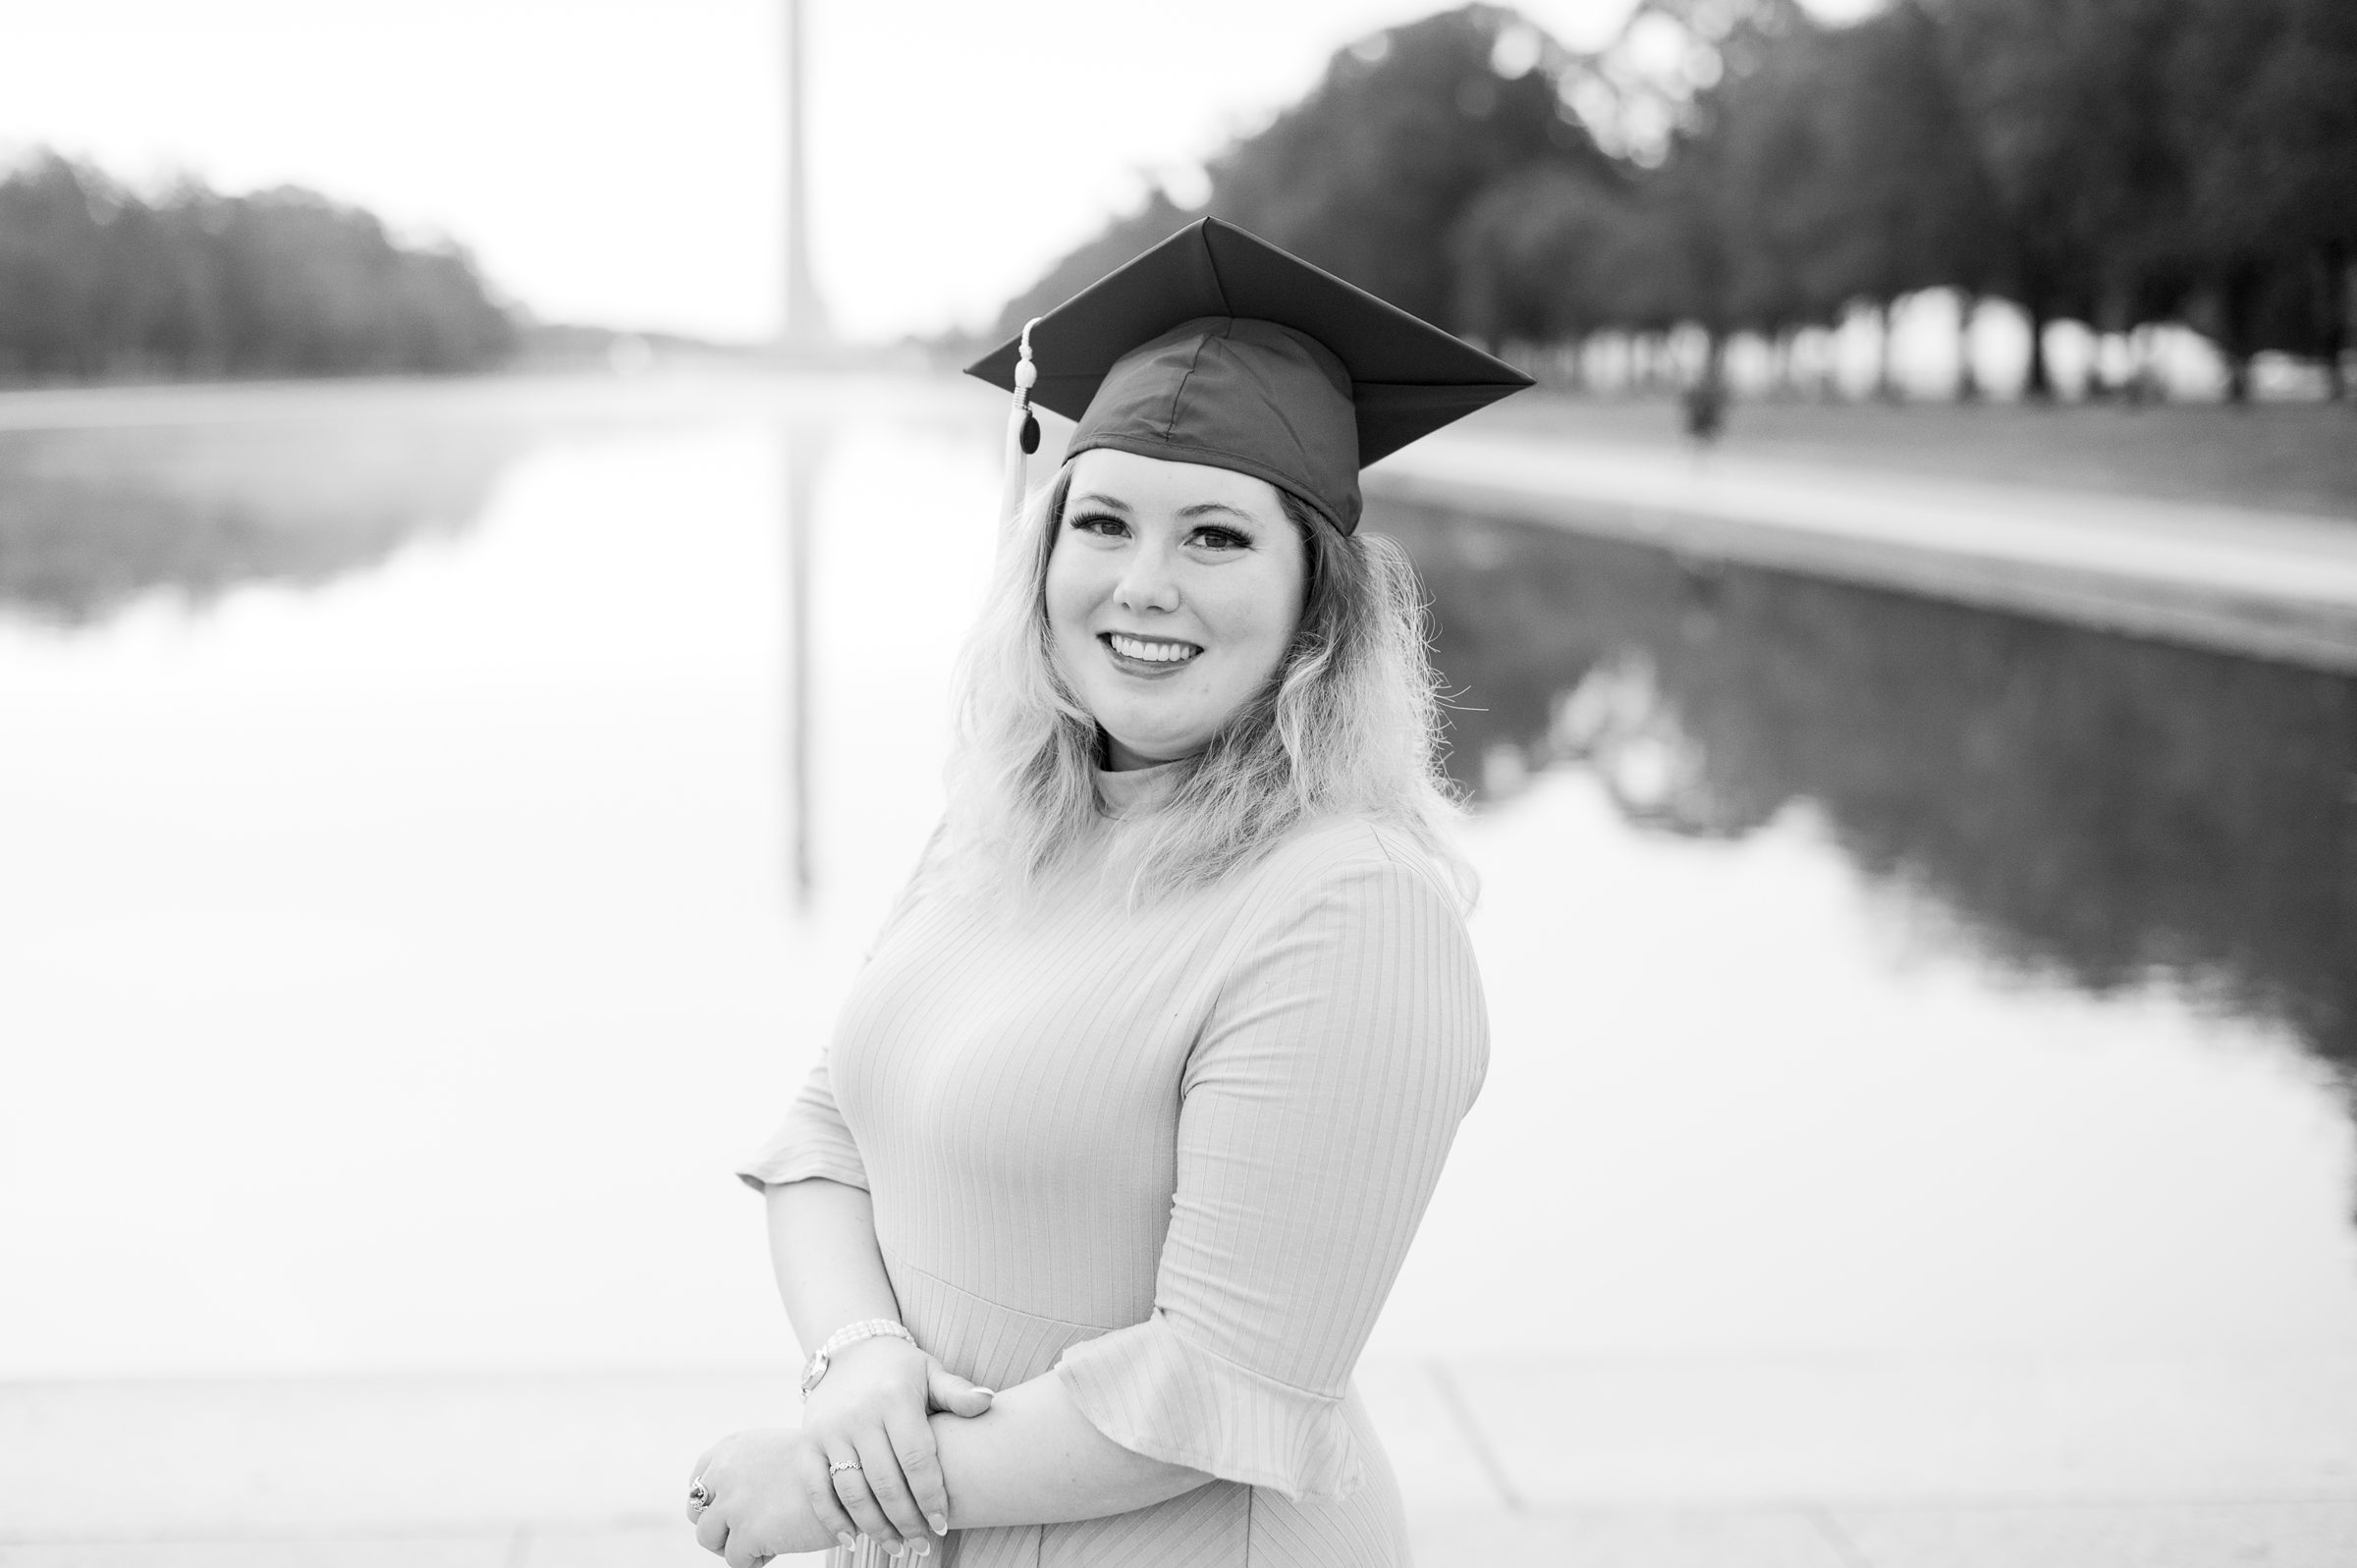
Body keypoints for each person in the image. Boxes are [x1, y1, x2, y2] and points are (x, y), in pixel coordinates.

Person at [686, 217, 1530, 1568]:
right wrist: (857, 1365)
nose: (1146, 585)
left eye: (1215, 535)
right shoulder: (1000, 822)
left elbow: (1215, 1389)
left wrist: (835, 1488)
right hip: (936, 1523)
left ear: (1320, 600)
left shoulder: (1349, 906)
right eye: (1104, 521)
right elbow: (821, 1138)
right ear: (1043, 553)